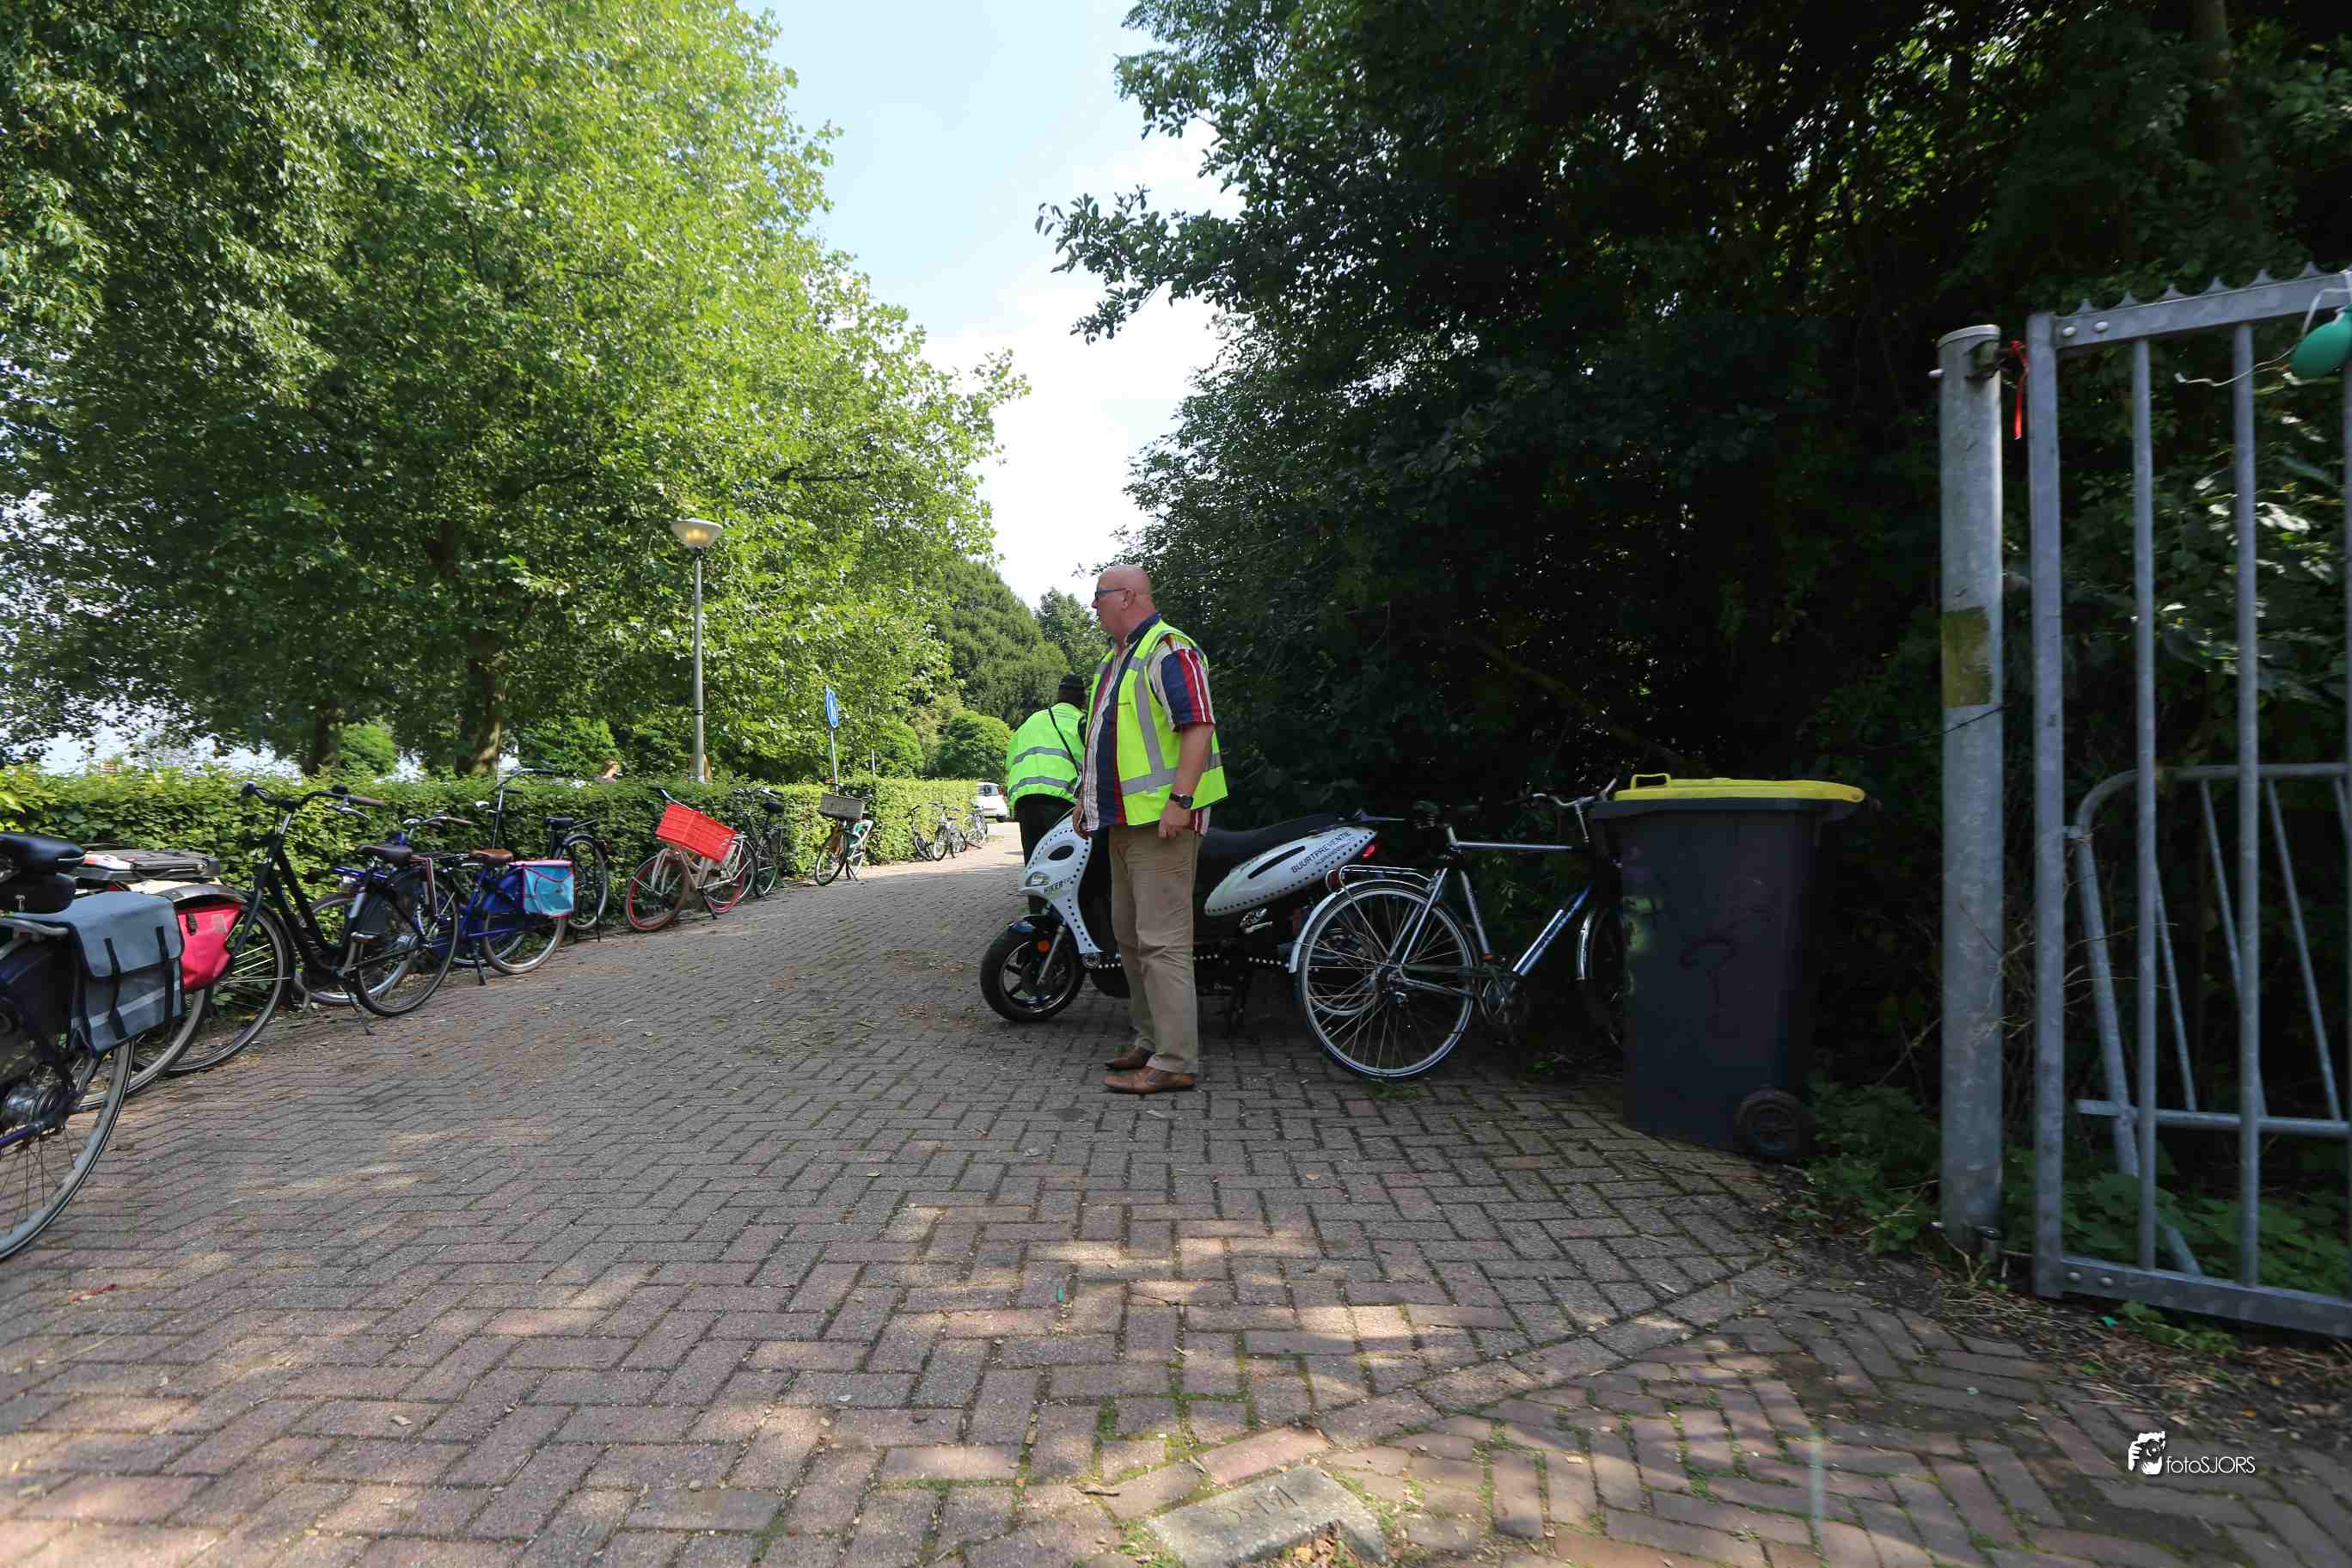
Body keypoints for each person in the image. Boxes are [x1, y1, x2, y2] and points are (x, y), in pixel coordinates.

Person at [1075, 564, 1227, 1095]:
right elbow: (1104, 740)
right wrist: (1085, 799)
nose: (1093, 605)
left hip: (1162, 825)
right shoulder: (1114, 661)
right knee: (1130, 937)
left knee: (1162, 943)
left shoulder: (1168, 649)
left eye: (1098, 595)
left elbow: (1198, 726)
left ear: (1127, 596)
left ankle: (1176, 1060)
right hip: (1124, 823)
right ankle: (1149, 1039)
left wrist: (1180, 802)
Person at [1005, 673, 1087, 871]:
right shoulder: (1082, 721)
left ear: (1058, 696)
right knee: (1062, 863)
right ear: (1083, 699)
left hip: (1025, 799)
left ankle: (1035, 892)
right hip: (1061, 801)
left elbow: (1009, 762)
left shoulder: (1032, 720)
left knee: (1034, 861)